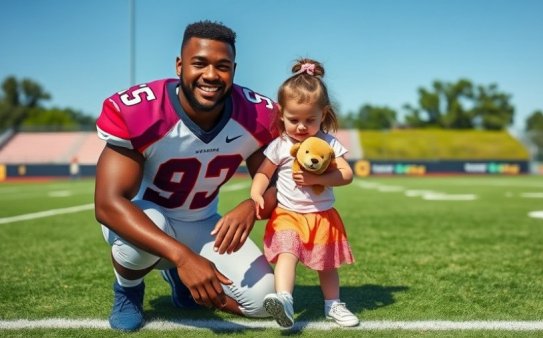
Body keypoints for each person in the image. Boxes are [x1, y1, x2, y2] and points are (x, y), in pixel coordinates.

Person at [94, 20, 279, 332]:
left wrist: (252, 205)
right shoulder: (143, 112)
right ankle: (128, 290)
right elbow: (108, 204)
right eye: (199, 63)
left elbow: (278, 184)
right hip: (143, 220)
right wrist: (183, 258)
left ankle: (184, 285)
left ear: (233, 69)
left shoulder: (257, 115)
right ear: (180, 65)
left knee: (264, 300)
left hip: (203, 222)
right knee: (147, 230)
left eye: (222, 66)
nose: (210, 75)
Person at [250, 58, 359, 328]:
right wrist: (256, 192)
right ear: (281, 115)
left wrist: (316, 177)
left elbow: (346, 174)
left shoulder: (329, 142)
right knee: (287, 253)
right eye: (293, 119)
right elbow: (264, 171)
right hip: (287, 214)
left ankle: (333, 304)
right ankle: (284, 300)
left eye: (310, 119)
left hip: (321, 216)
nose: (301, 126)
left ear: (324, 114)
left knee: (326, 266)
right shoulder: (280, 145)